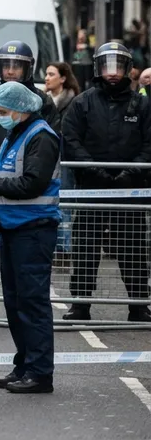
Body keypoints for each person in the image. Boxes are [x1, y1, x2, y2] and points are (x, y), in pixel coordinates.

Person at [0, 81, 60, 393]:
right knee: (15, 303)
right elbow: (12, 176)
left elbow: (32, 183)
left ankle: (40, 372)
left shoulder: (41, 137)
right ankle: (24, 366)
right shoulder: (17, 133)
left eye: (3, 111)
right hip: (12, 227)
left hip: (33, 230)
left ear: (21, 110)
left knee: (32, 304)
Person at [0, 40, 58, 319]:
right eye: (6, 65)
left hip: (28, 212)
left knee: (29, 298)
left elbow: (39, 156)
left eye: (17, 65)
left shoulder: (41, 107)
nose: (11, 70)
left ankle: (36, 363)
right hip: (0, 192)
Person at [60, 42, 151, 323]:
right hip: (91, 188)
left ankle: (138, 306)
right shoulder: (83, 102)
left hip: (130, 191)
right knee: (85, 249)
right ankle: (81, 305)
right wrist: (94, 170)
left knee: (133, 251)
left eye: (118, 66)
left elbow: (149, 144)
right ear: (99, 68)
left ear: (127, 69)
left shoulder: (143, 103)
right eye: (108, 66)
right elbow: (71, 139)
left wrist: (131, 173)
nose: (113, 73)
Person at [44, 61, 80, 131]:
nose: (46, 78)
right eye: (46, 74)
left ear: (62, 79)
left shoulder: (73, 103)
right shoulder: (43, 99)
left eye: (51, 75)